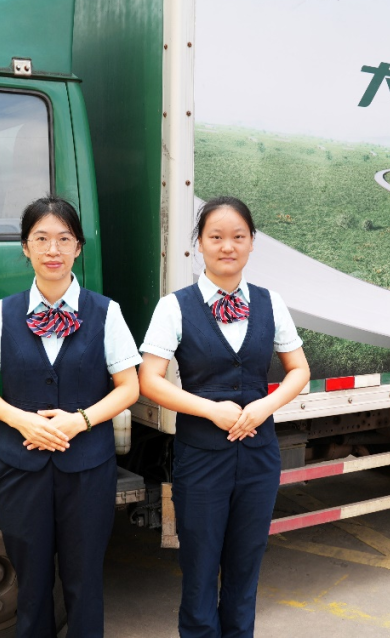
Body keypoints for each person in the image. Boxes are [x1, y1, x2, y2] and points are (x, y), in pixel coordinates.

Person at [0, 196, 141, 638]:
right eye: (41, 238)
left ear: (78, 247)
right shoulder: (4, 313)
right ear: (25, 247)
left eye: (64, 239)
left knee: (85, 582)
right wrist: (22, 420)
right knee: (31, 585)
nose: (53, 250)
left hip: (88, 470)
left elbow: (129, 387)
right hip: (21, 469)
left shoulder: (105, 312)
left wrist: (80, 420)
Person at [138, 196, 311, 638]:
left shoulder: (271, 303)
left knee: (245, 568)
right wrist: (209, 409)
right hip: (200, 459)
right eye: (216, 237)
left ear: (252, 243)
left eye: (238, 237)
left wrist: (265, 405)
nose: (227, 246)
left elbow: (299, 370)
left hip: (259, 458)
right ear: (199, 244)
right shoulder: (174, 306)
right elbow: (149, 381)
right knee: (199, 569)